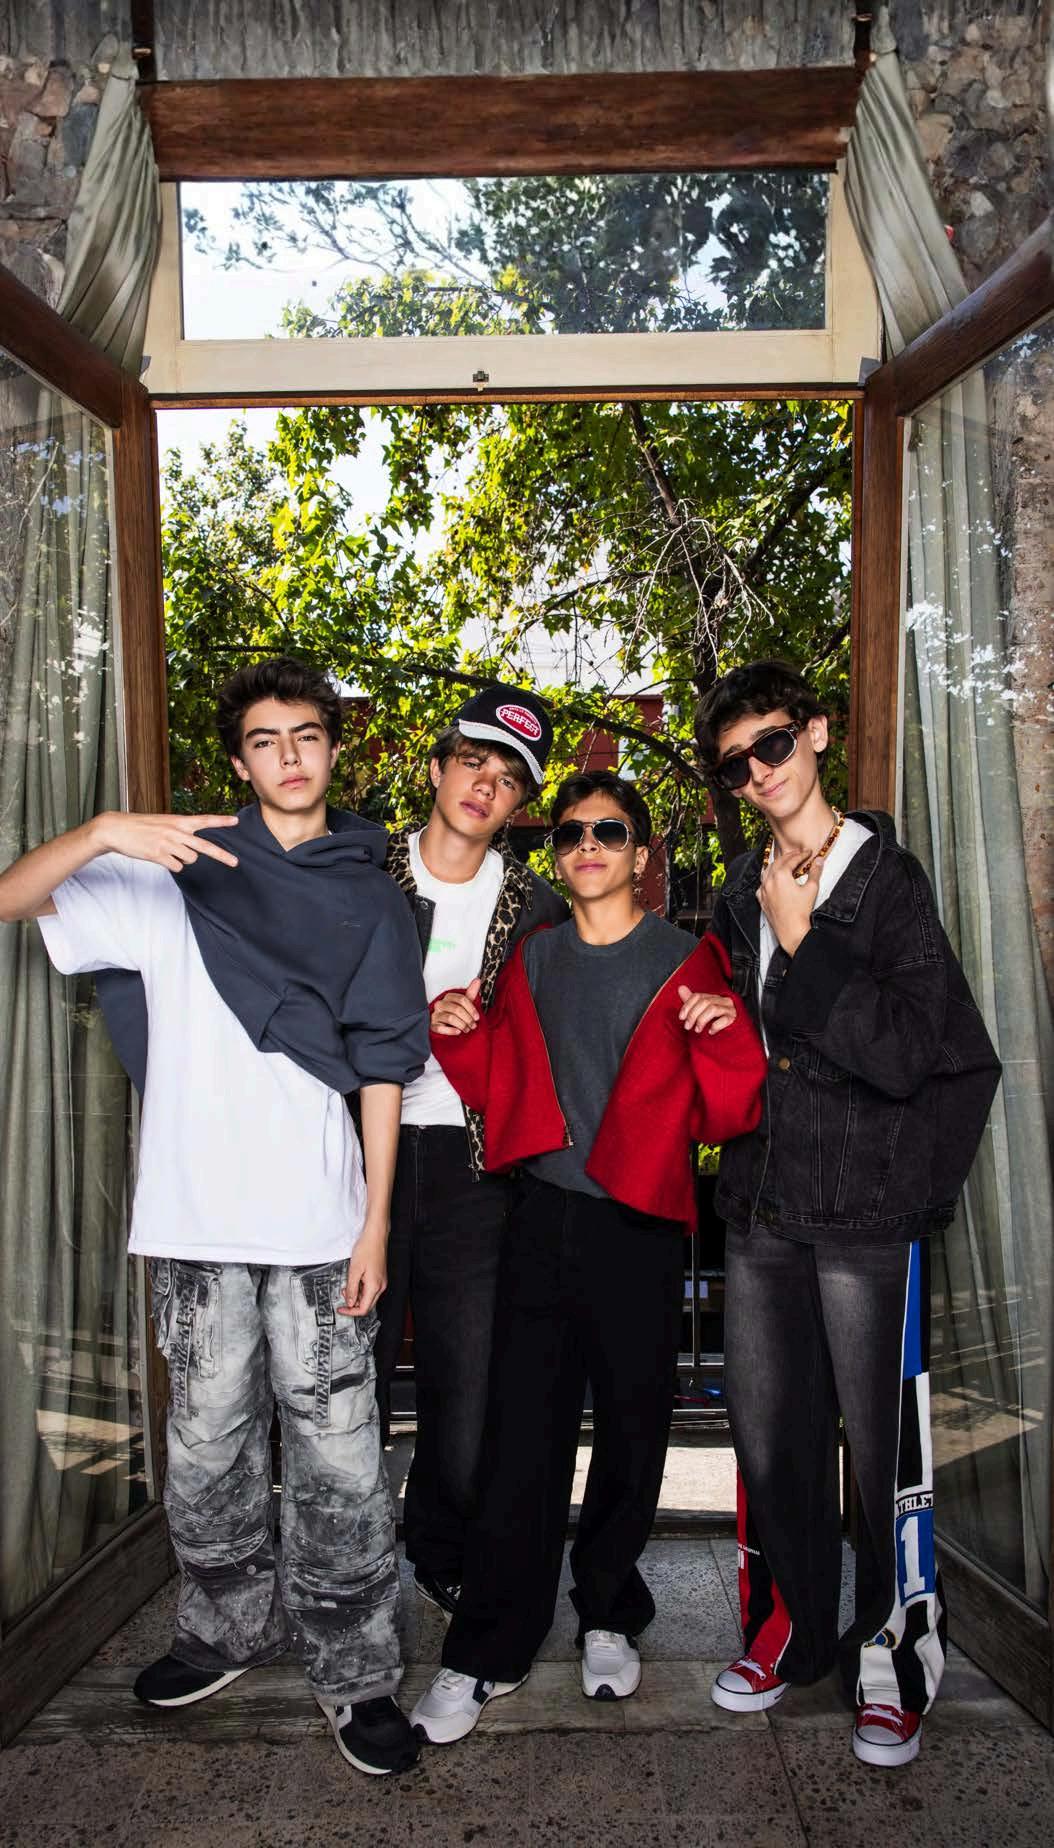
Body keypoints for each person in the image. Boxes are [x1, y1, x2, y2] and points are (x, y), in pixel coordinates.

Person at [0, 657, 431, 1778]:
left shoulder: (372, 894)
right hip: (193, 1223)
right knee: (204, 1447)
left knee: (340, 1457)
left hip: (321, 1222)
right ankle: (226, 1628)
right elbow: (9, 894)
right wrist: (103, 830)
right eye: (265, 740)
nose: (289, 756)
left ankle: (356, 1669)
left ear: (333, 749)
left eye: (307, 735)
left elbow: (385, 1066)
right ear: (239, 763)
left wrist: (375, 1224)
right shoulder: (175, 874)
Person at [409, 769, 767, 1743]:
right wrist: (457, 1032)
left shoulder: (687, 961)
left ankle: (609, 1609)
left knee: (633, 1433)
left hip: (639, 1227)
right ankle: (488, 1646)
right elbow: (500, 1084)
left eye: (609, 831)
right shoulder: (534, 959)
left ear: (642, 855)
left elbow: (729, 1111)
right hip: (540, 1216)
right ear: (557, 857)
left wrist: (725, 1034)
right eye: (569, 835)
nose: (588, 847)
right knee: (520, 1439)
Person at [696, 659, 1001, 1769]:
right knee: (770, 1439)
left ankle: (893, 1656)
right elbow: (749, 1038)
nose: (758, 773)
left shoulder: (885, 878)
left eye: (772, 744)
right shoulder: (740, 885)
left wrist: (802, 940)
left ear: (817, 733)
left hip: (867, 1211)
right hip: (763, 1204)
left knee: (882, 1456)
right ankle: (789, 1629)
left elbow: (915, 1051)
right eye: (736, 764)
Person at [376, 684, 566, 1614]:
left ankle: (440, 1546)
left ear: (520, 803)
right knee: (350, 1369)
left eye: (508, 779)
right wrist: (414, 1022)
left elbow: (549, 1043)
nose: (485, 786)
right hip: (355, 1155)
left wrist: (482, 1034)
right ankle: (347, 1553)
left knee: (468, 1378)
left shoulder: (536, 906)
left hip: (474, 1161)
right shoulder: (363, 870)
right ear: (438, 766)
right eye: (472, 762)